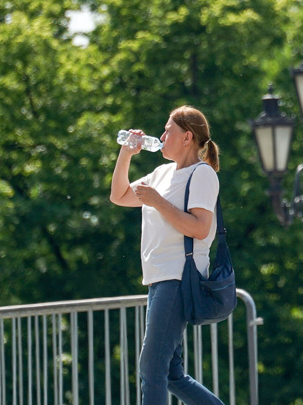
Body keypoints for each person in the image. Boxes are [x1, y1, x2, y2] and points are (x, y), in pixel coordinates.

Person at [110, 105, 224, 405]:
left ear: (187, 137)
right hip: (159, 279)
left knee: (152, 366)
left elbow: (200, 229)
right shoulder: (161, 173)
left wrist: (158, 202)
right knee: (171, 373)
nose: (161, 137)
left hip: (177, 278)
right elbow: (119, 196)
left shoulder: (202, 175)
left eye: (167, 131)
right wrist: (126, 153)